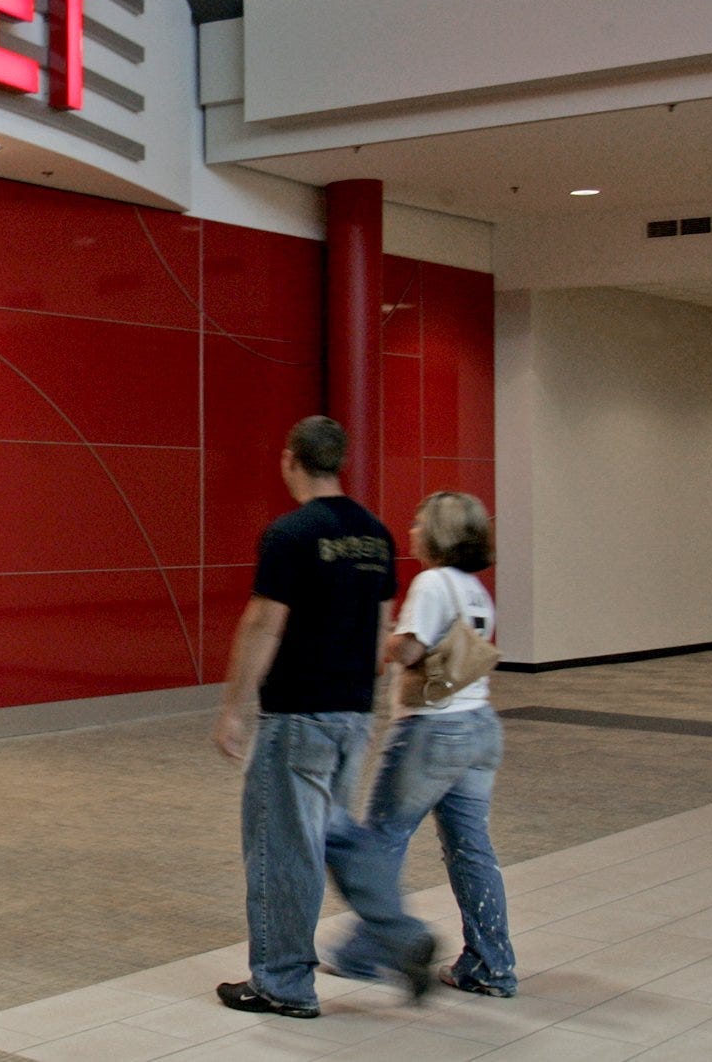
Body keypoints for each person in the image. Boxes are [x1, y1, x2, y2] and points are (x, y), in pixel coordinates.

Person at [212, 415, 430, 1018]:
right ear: (339, 462)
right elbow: (381, 627)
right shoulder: (376, 535)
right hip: (352, 715)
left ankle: (282, 982)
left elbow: (264, 623)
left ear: (291, 460)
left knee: (283, 847)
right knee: (333, 832)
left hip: (296, 717)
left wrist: (234, 709)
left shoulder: (290, 534)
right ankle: (402, 934)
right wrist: (365, 702)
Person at [327, 492, 517, 997]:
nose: (410, 530)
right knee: (471, 850)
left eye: (417, 522)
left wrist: (385, 636)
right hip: (479, 727)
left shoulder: (431, 583)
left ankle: (367, 953)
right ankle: (492, 965)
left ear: (438, 532)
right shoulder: (476, 591)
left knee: (380, 840)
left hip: (431, 731)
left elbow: (410, 650)